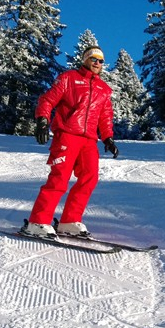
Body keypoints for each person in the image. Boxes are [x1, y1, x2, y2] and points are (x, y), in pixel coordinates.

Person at [20, 45, 119, 239]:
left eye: (100, 61)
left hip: (89, 139)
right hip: (67, 135)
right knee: (59, 179)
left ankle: (69, 222)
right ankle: (37, 222)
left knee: (90, 178)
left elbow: (105, 116)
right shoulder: (69, 79)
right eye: (93, 59)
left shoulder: (104, 89)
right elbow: (47, 100)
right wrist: (42, 120)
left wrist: (108, 138)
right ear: (85, 60)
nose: (97, 63)